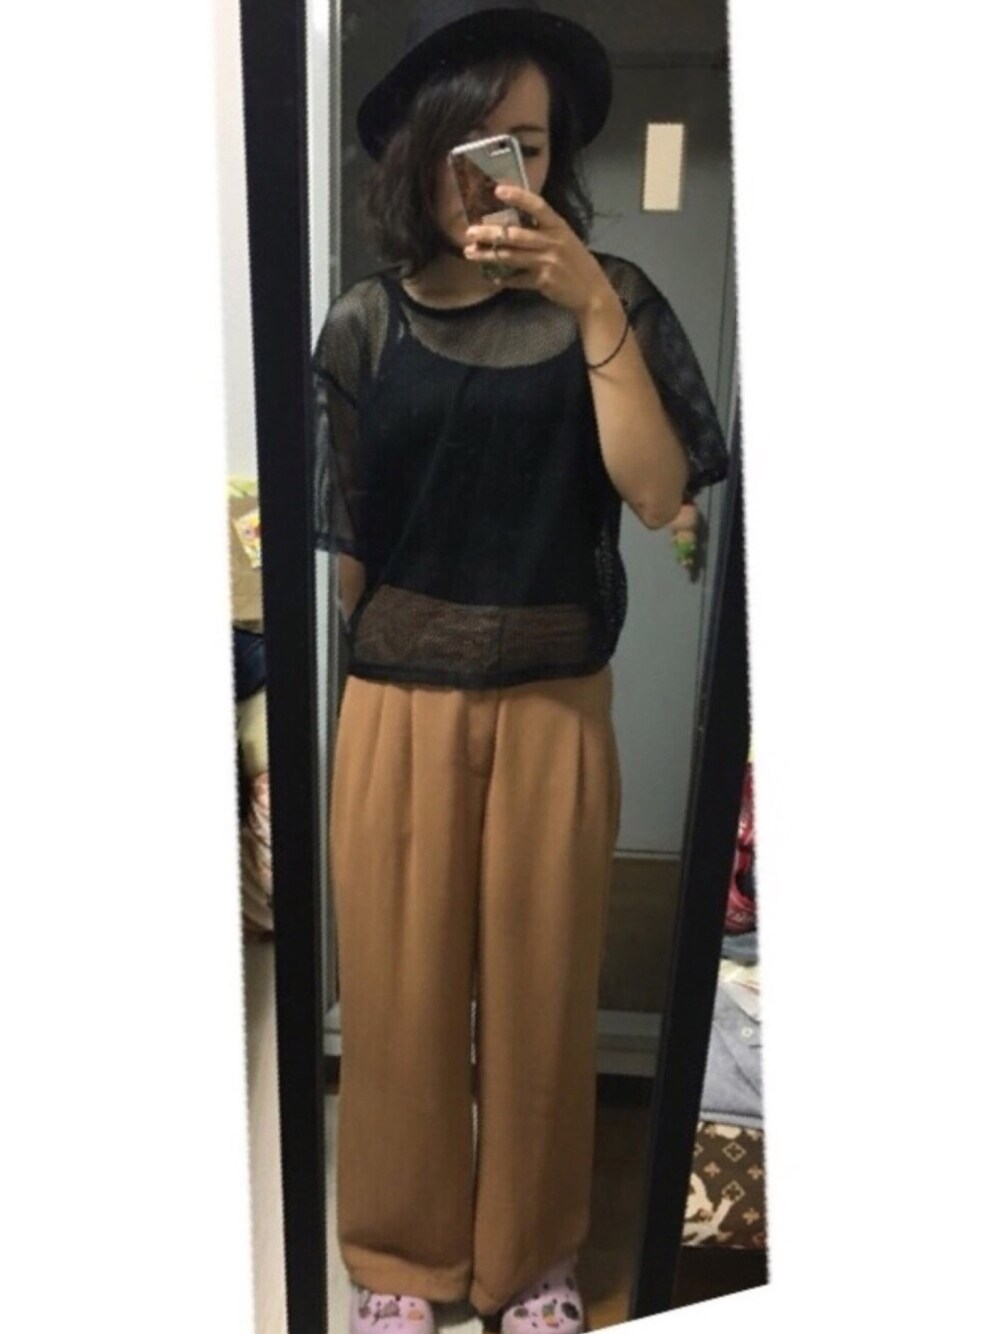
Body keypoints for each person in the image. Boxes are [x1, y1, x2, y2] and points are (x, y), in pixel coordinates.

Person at [311, 4, 730, 1331]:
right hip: (396, 704)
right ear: (418, 156)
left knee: (545, 999)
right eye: (473, 144)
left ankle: (530, 1261)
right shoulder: (360, 325)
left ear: (555, 162)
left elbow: (658, 494)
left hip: (557, 701)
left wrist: (592, 296)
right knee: (398, 997)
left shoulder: (622, 301)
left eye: (529, 147)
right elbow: (347, 553)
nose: (500, 177)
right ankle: (400, 1258)